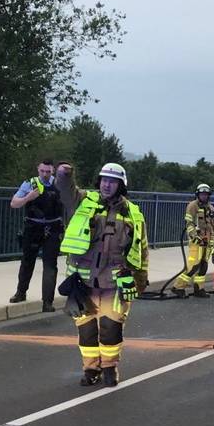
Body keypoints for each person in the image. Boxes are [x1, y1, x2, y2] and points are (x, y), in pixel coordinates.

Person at [59, 163, 149, 387]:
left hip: (115, 280)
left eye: (113, 181)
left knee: (111, 327)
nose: (107, 185)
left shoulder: (133, 214)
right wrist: (65, 174)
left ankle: (109, 368)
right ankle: (91, 369)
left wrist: (141, 277)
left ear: (121, 185)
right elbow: (65, 190)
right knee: (87, 330)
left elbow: (142, 248)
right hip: (82, 281)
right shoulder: (83, 201)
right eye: (104, 180)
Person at [8, 159, 64, 312]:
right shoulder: (30, 184)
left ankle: (47, 302)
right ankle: (21, 292)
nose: (45, 174)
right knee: (27, 261)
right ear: (38, 170)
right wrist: (28, 198)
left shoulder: (59, 185)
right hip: (33, 227)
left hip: (52, 228)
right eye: (42, 171)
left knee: (50, 266)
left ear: (52, 171)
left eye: (48, 171)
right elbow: (14, 203)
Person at [170, 183, 214, 298]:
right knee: (193, 266)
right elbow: (189, 223)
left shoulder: (211, 208)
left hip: (207, 241)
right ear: (198, 194)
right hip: (196, 241)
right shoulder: (192, 206)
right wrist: (194, 236)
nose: (204, 196)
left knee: (203, 266)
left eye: (206, 194)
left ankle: (199, 289)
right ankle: (178, 287)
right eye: (202, 194)